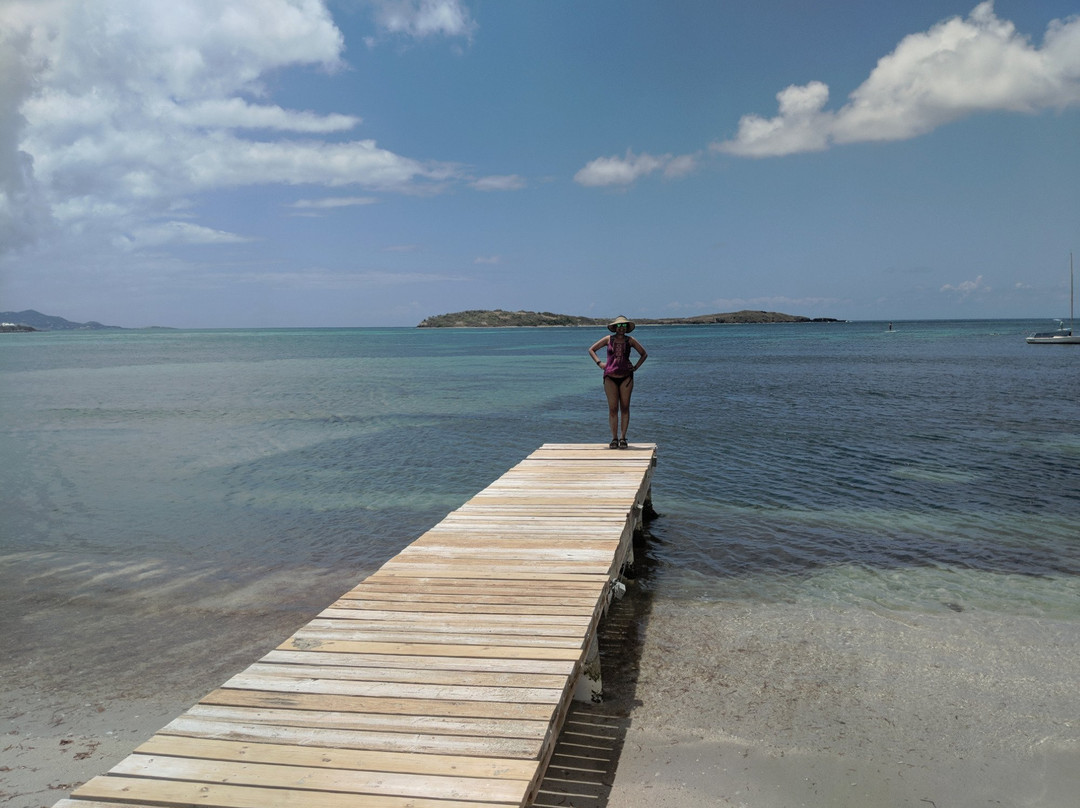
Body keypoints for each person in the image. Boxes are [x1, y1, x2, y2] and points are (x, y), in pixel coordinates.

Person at [588, 316, 647, 448]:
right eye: (619, 326)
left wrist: (636, 367)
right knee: (613, 409)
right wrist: (599, 363)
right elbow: (591, 349)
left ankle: (623, 438)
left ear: (627, 328)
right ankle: (614, 438)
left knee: (625, 408)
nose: (622, 328)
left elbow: (644, 354)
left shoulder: (630, 340)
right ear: (615, 327)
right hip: (610, 376)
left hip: (627, 377)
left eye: (624, 326)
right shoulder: (608, 339)